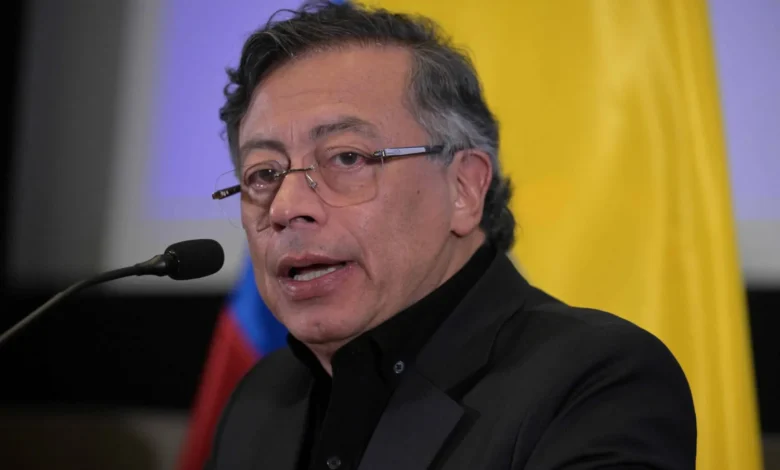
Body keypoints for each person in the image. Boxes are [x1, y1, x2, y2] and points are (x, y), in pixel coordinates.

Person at [206, 2, 696, 469]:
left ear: (464, 188)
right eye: (263, 174)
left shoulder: (596, 382)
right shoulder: (260, 401)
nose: (286, 207)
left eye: (347, 158)